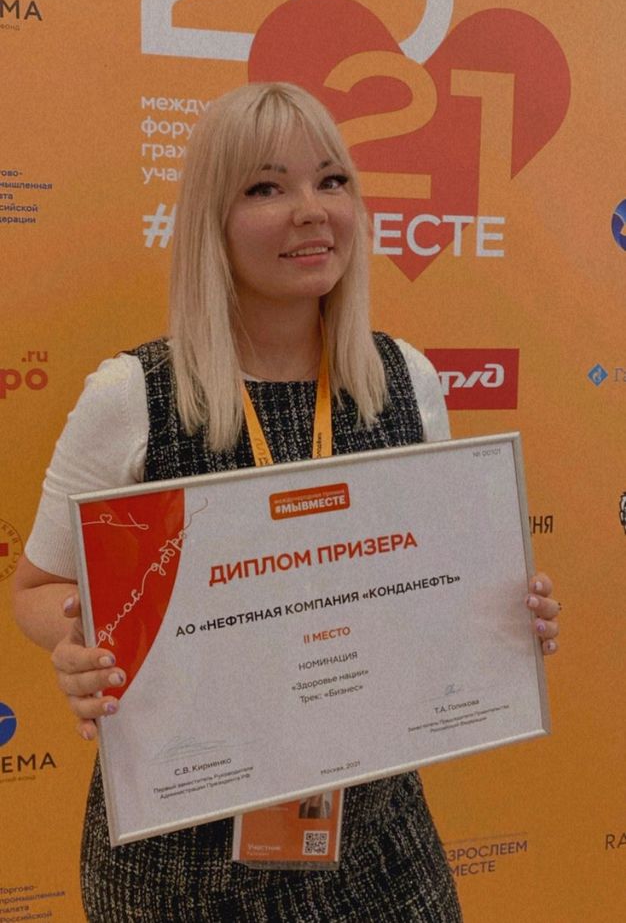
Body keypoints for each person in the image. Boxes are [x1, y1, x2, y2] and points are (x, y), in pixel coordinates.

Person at [12, 81, 561, 922]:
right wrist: (80, 643)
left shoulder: (404, 380)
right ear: (212, 221)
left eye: (332, 180)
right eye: (267, 187)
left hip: (379, 850)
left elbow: (429, 590)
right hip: (179, 869)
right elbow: (36, 588)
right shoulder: (135, 396)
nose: (312, 210)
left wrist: (498, 617)